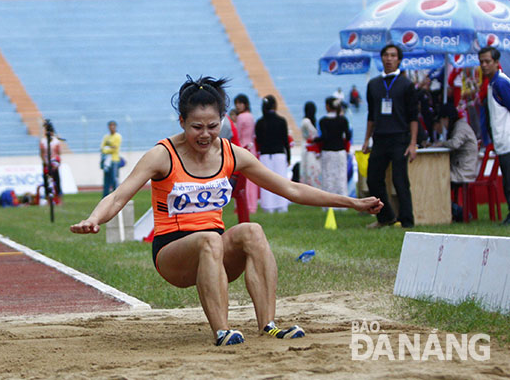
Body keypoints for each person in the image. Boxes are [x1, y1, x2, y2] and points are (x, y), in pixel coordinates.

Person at [70, 75, 383, 347]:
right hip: (173, 254)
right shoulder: (162, 155)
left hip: (217, 253)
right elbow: (119, 196)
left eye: (212, 125)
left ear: (223, 119)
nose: (205, 135)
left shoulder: (232, 153)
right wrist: (94, 219)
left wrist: (352, 202)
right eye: (196, 127)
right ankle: (222, 330)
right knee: (209, 239)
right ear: (181, 121)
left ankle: (268, 326)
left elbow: (292, 189)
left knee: (252, 231)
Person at [362, 44, 418, 228]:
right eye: (386, 55)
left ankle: (407, 221)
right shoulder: (373, 85)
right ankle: (385, 217)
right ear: (381, 58)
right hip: (380, 138)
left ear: (399, 59)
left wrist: (413, 143)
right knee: (373, 178)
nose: (389, 58)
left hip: (400, 138)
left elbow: (413, 116)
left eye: (393, 55)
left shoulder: (407, 85)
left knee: (400, 180)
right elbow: (371, 115)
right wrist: (366, 139)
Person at [478, 46, 510, 225]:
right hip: (501, 141)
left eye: (487, 61)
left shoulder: (500, 83)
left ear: (496, 63)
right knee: (507, 179)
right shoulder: (491, 84)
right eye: (481, 62)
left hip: (507, 140)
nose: (484, 65)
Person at [255, 95, 291, 213]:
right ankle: (282, 206)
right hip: (279, 154)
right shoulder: (281, 121)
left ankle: (268, 206)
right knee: (281, 181)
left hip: (265, 155)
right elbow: (285, 140)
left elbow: (258, 141)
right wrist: (289, 157)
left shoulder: (260, 123)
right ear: (275, 106)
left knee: (266, 182)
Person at [315, 97, 351, 200]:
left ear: (327, 106)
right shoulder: (343, 120)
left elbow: (324, 137)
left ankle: (328, 201)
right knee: (341, 177)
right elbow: (348, 136)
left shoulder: (323, 121)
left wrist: (315, 140)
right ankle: (343, 201)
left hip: (328, 151)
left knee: (328, 177)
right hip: (340, 151)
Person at [434, 103, 478, 184]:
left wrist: (442, 144)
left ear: (446, 118)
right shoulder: (459, 126)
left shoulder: (460, 127)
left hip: (464, 172)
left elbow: (455, 143)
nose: (443, 125)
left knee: (437, 176)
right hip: (462, 168)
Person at [234, 93, 258, 214]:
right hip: (251, 148)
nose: (238, 106)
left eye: (240, 103)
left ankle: (246, 205)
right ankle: (252, 205)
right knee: (253, 180)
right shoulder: (251, 116)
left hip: (243, 148)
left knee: (244, 180)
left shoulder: (241, 117)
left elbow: (238, 134)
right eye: (237, 104)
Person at [40, 119, 62, 204]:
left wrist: (56, 162)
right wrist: (45, 162)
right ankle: (48, 199)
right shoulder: (43, 141)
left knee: (57, 180)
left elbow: (58, 153)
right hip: (46, 163)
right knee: (46, 181)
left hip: (54, 163)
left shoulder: (56, 141)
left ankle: (59, 198)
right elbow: (41, 153)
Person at [300, 101, 322, 189]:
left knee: (314, 169)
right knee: (310, 169)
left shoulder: (312, 121)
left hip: (312, 148)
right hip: (309, 149)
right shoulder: (306, 122)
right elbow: (310, 136)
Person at [101, 120, 122, 197]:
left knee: (114, 179)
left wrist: (107, 149)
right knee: (106, 180)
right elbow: (102, 148)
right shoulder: (106, 137)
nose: (112, 128)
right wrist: (108, 149)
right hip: (106, 161)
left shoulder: (117, 136)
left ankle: (115, 196)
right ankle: (105, 197)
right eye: (110, 126)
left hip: (114, 160)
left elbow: (114, 148)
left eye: (113, 126)